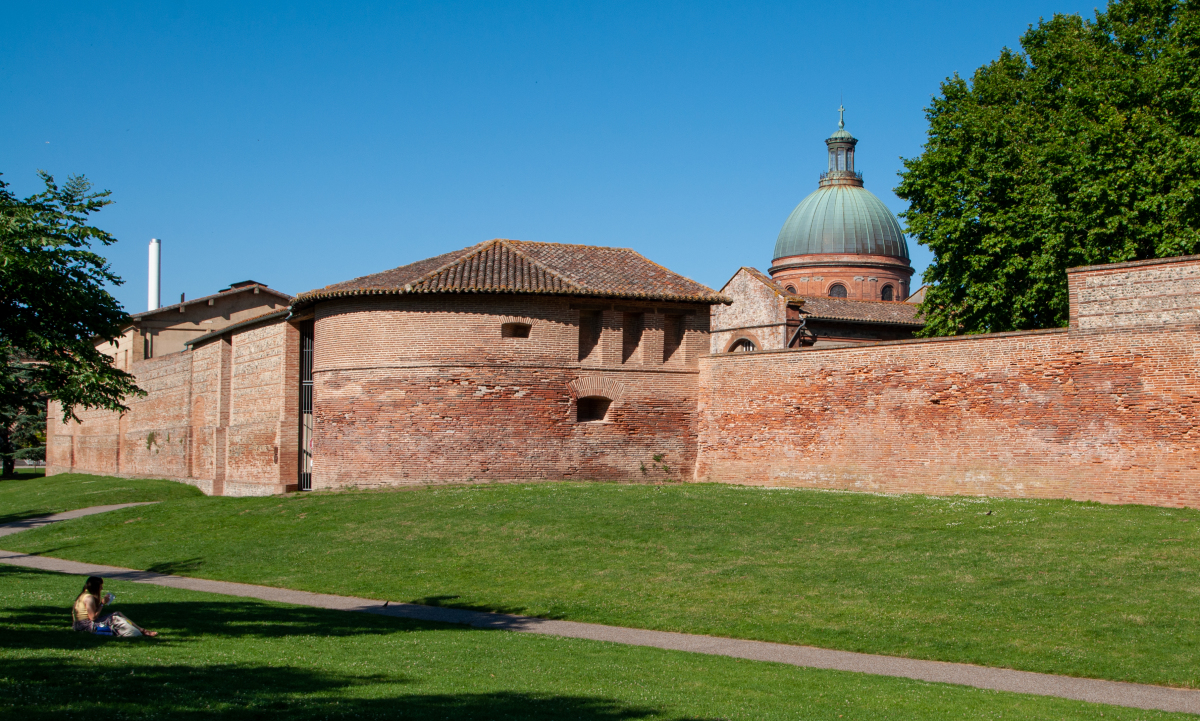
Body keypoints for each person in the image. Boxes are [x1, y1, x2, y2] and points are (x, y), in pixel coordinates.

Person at [71, 576, 158, 637]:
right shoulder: (89, 598)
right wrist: (102, 604)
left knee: (117, 613)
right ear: (95, 587)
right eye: (100, 586)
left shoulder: (84, 594)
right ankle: (142, 631)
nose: (101, 588)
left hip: (79, 625)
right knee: (114, 617)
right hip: (85, 626)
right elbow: (93, 618)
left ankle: (142, 630)